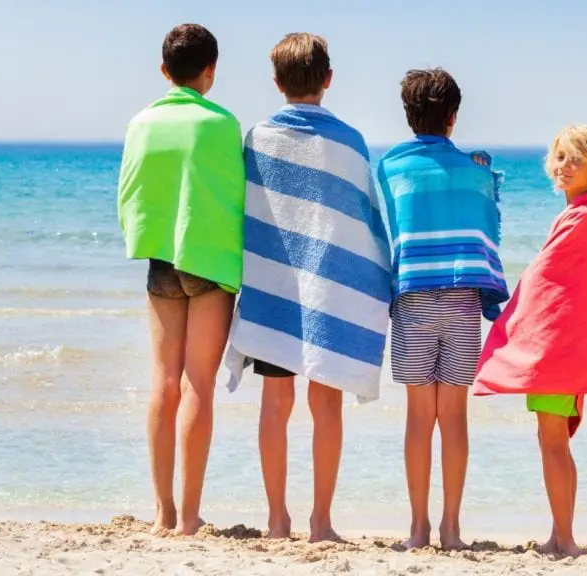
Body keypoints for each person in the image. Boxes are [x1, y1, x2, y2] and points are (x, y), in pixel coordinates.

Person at [222, 33, 392, 542]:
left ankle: (277, 520)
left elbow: (246, 212)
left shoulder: (256, 139)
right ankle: (321, 522)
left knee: (274, 405)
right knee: (326, 406)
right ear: (329, 79)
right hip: (328, 296)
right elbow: (364, 222)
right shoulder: (350, 142)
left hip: (274, 290)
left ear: (277, 82)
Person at [473, 124, 587, 558]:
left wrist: (513, 323)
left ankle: (564, 539)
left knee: (552, 438)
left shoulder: (582, 218)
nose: (565, 165)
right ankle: (562, 533)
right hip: (564, 350)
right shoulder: (583, 214)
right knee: (552, 438)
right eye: (560, 157)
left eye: (576, 158)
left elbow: (544, 281)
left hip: (559, 352)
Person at [117, 23, 245, 536]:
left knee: (163, 383)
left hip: (161, 261)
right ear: (210, 70)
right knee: (198, 385)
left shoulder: (141, 122)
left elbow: (129, 193)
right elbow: (235, 195)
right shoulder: (222, 123)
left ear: (163, 70)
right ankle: (190, 517)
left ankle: (162, 512)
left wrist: (144, 237)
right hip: (210, 263)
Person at [375, 68, 510, 550]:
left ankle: (418, 528)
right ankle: (452, 528)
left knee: (418, 417)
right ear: (454, 117)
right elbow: (489, 227)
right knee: (453, 417)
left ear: (409, 116)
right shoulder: (475, 170)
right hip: (461, 301)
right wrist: (480, 168)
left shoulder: (391, 167)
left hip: (413, 298)